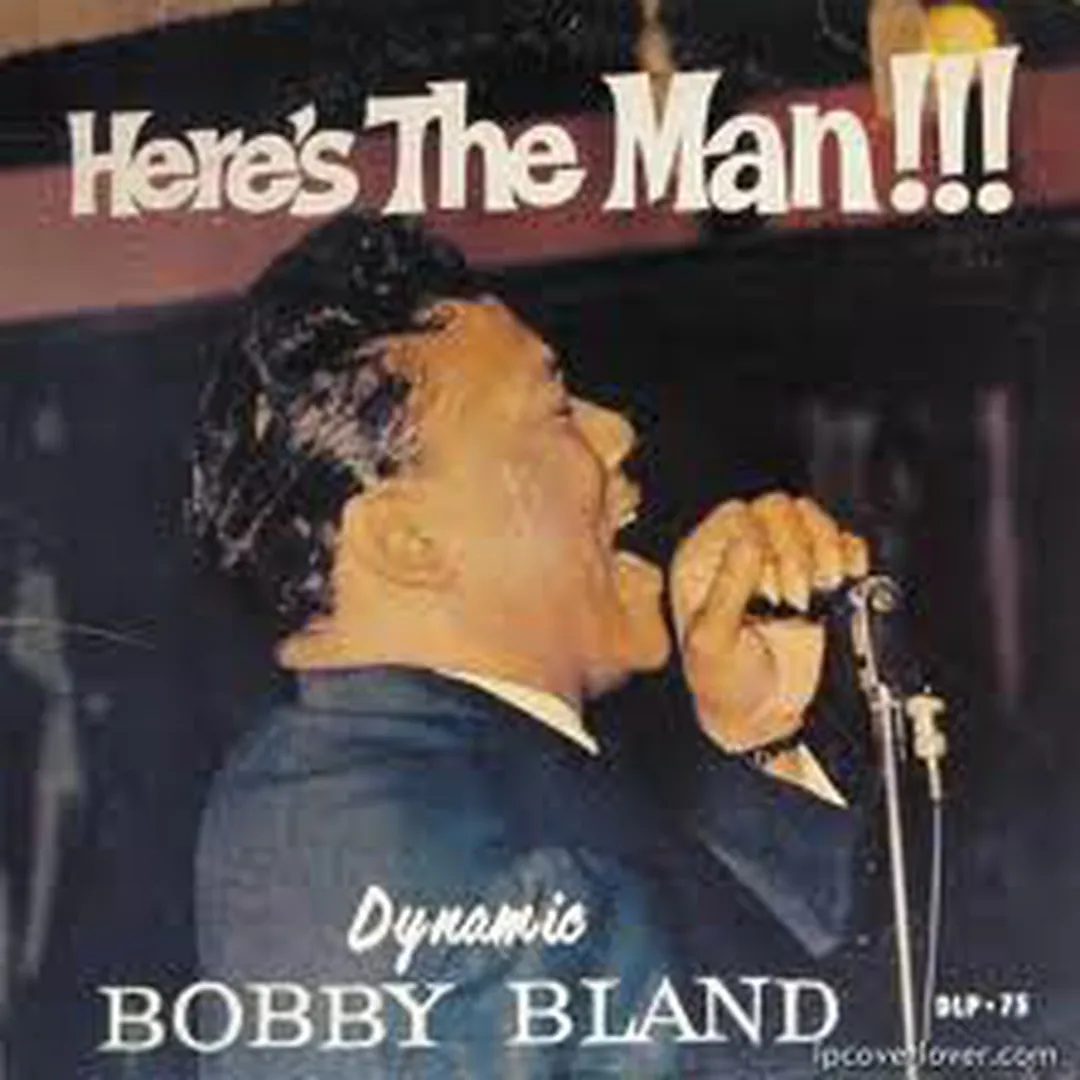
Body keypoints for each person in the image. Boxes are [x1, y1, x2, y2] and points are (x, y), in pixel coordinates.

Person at [186, 213, 872, 1079]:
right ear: (409, 542)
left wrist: (755, 732)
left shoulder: (311, 780)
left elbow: (707, 964)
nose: (617, 431)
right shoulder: (511, 874)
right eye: (555, 410)